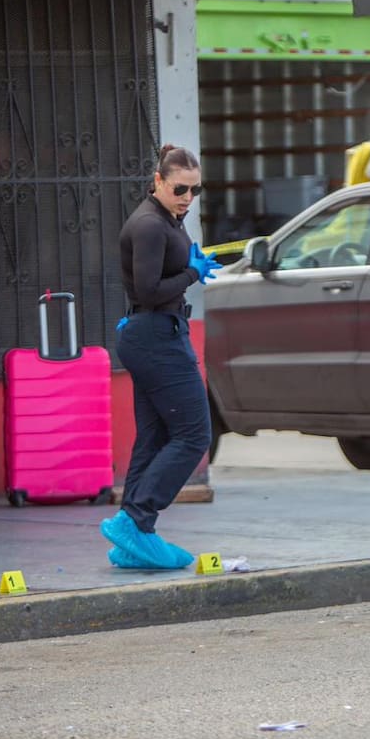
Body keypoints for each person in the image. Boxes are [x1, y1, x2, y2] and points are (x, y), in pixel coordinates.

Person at [101, 144, 222, 569]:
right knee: (194, 435)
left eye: (195, 190)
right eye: (179, 189)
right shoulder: (150, 225)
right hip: (156, 336)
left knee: (154, 438)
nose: (188, 197)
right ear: (158, 181)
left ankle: (134, 539)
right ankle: (134, 519)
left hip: (154, 332)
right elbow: (150, 290)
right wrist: (193, 272)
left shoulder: (168, 219)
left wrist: (189, 265)